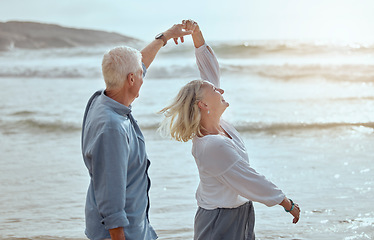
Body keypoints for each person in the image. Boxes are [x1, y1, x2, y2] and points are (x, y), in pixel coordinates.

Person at [159, 20, 300, 240]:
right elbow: (248, 179)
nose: (221, 89)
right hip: (219, 220)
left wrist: (196, 34)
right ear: (203, 105)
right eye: (215, 90)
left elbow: (209, 71)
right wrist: (285, 202)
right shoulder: (212, 146)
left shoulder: (217, 125)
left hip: (239, 213)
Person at [81, 23, 193, 240]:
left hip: (134, 227)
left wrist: (165, 37)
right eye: (141, 74)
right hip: (122, 234)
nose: (144, 76)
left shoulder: (101, 98)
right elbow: (111, 200)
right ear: (131, 79)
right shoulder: (112, 129)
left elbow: (138, 63)